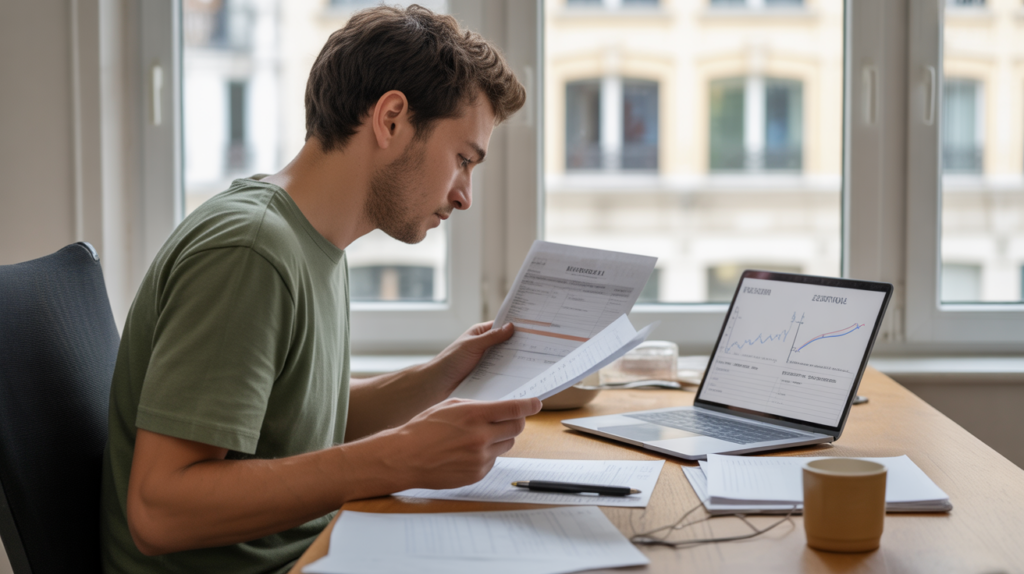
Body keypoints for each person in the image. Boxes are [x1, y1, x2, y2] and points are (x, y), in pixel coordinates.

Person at [99, 5, 537, 573]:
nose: (464, 196)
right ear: (392, 118)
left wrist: (441, 374)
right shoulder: (250, 252)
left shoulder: (310, 240)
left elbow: (294, 426)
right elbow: (160, 510)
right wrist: (398, 459)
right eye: (462, 159)